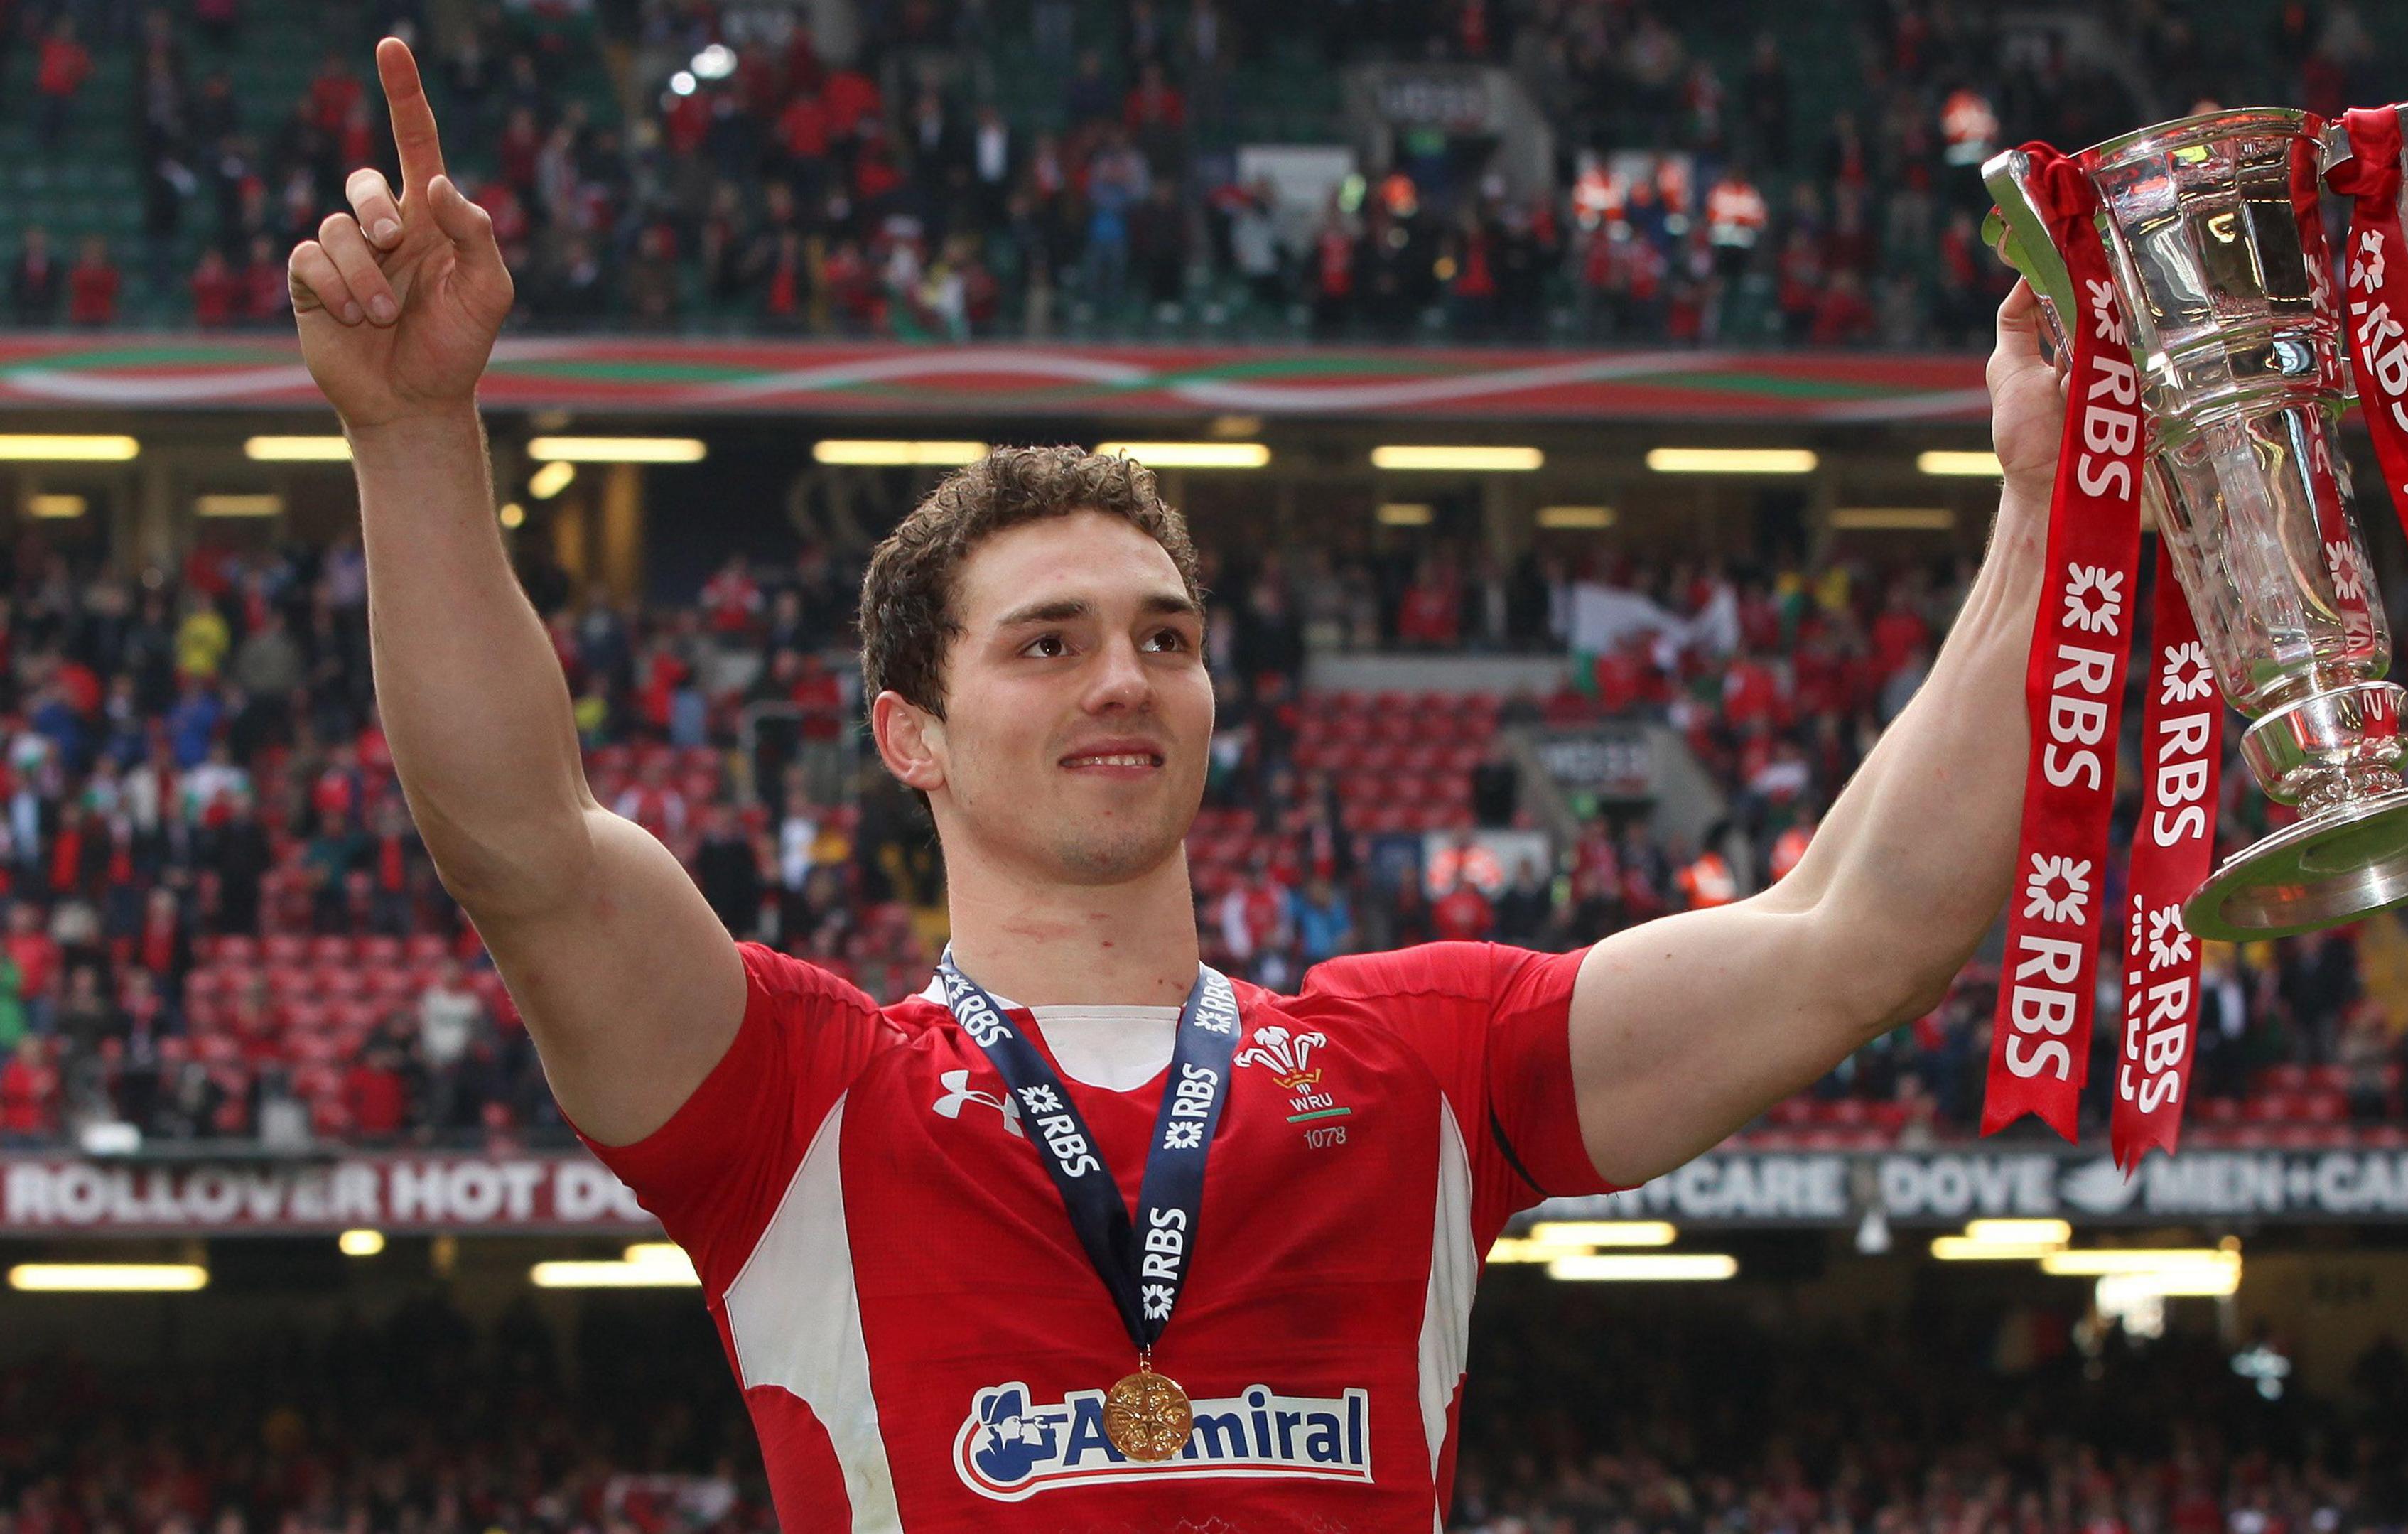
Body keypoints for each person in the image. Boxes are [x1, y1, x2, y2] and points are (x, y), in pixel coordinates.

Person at [286, 38, 2061, 1530]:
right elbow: (521, 845)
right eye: (1046, 643)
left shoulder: (1425, 1068)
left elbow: (1861, 931)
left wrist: (2041, 508)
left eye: (1164, 634)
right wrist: (416, 435)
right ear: (909, 734)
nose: (1123, 676)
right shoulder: (796, 1101)